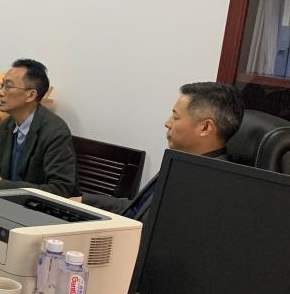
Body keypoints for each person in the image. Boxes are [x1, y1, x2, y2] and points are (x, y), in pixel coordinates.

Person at [82, 82, 244, 220]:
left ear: (205, 127)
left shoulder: (210, 186)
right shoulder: (181, 162)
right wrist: (84, 201)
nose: (167, 123)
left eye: (176, 117)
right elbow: (138, 210)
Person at [0, 59, 78, 198]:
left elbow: (60, 189)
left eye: (8, 86)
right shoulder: (8, 124)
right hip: (3, 202)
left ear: (31, 95)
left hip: (37, 208)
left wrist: (2, 186)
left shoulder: (55, 131)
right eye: (2, 85)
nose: (0, 92)